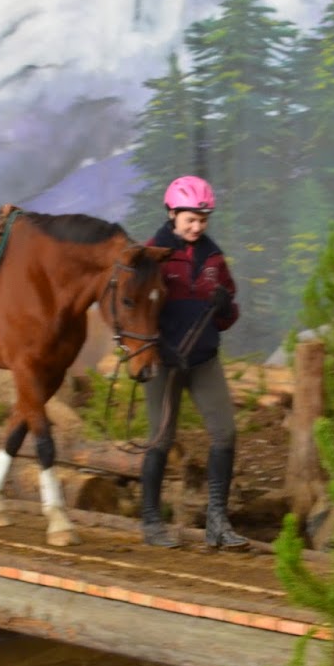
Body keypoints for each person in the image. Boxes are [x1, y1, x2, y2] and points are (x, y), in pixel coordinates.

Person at [139, 175, 248, 550]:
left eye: (203, 220)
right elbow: (137, 310)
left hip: (203, 360)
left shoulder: (214, 257)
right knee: (161, 440)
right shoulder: (152, 255)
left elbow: (227, 315)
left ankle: (218, 522)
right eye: (190, 219)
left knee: (225, 433)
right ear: (172, 213)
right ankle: (151, 521)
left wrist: (224, 306)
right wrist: (157, 345)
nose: (197, 227)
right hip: (165, 363)